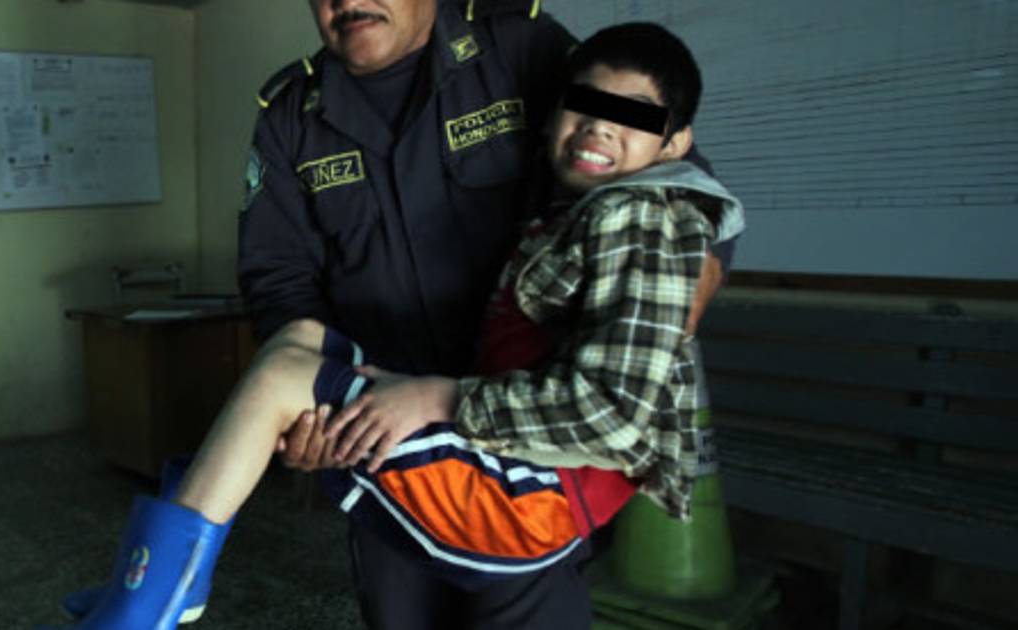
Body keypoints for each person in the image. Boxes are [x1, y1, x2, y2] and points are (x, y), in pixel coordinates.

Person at [41, 19, 744, 630]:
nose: (349, 2)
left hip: (516, 457)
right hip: (396, 417)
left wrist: (694, 263)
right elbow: (278, 278)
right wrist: (307, 419)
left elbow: (661, 157)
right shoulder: (293, 111)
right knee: (294, 348)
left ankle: (153, 593)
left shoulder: (519, 49)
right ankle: (160, 579)